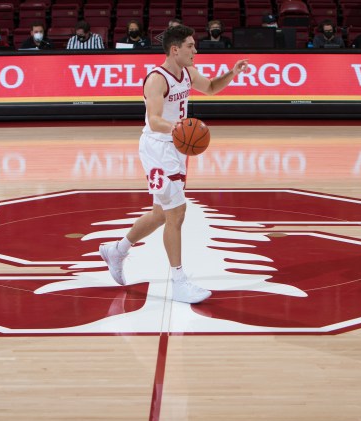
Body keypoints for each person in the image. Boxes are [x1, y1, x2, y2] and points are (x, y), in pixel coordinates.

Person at [99, 25, 249, 304]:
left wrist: (232, 73)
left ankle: (117, 250)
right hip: (157, 148)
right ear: (175, 49)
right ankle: (179, 281)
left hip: (177, 147)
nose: (196, 50)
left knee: (160, 213)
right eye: (191, 46)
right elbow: (154, 120)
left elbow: (213, 88)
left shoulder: (188, 73)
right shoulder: (156, 79)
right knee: (177, 212)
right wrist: (178, 127)